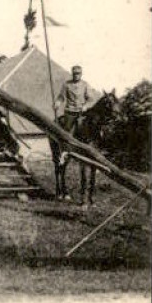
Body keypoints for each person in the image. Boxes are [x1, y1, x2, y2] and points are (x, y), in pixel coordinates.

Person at [54, 64, 98, 206]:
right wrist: (57, 103)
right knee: (67, 133)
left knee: (90, 128)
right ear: (72, 74)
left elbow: (91, 99)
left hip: (81, 112)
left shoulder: (85, 85)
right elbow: (61, 97)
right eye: (74, 73)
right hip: (69, 113)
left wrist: (86, 105)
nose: (76, 75)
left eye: (78, 73)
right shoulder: (66, 84)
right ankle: (64, 152)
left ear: (81, 74)